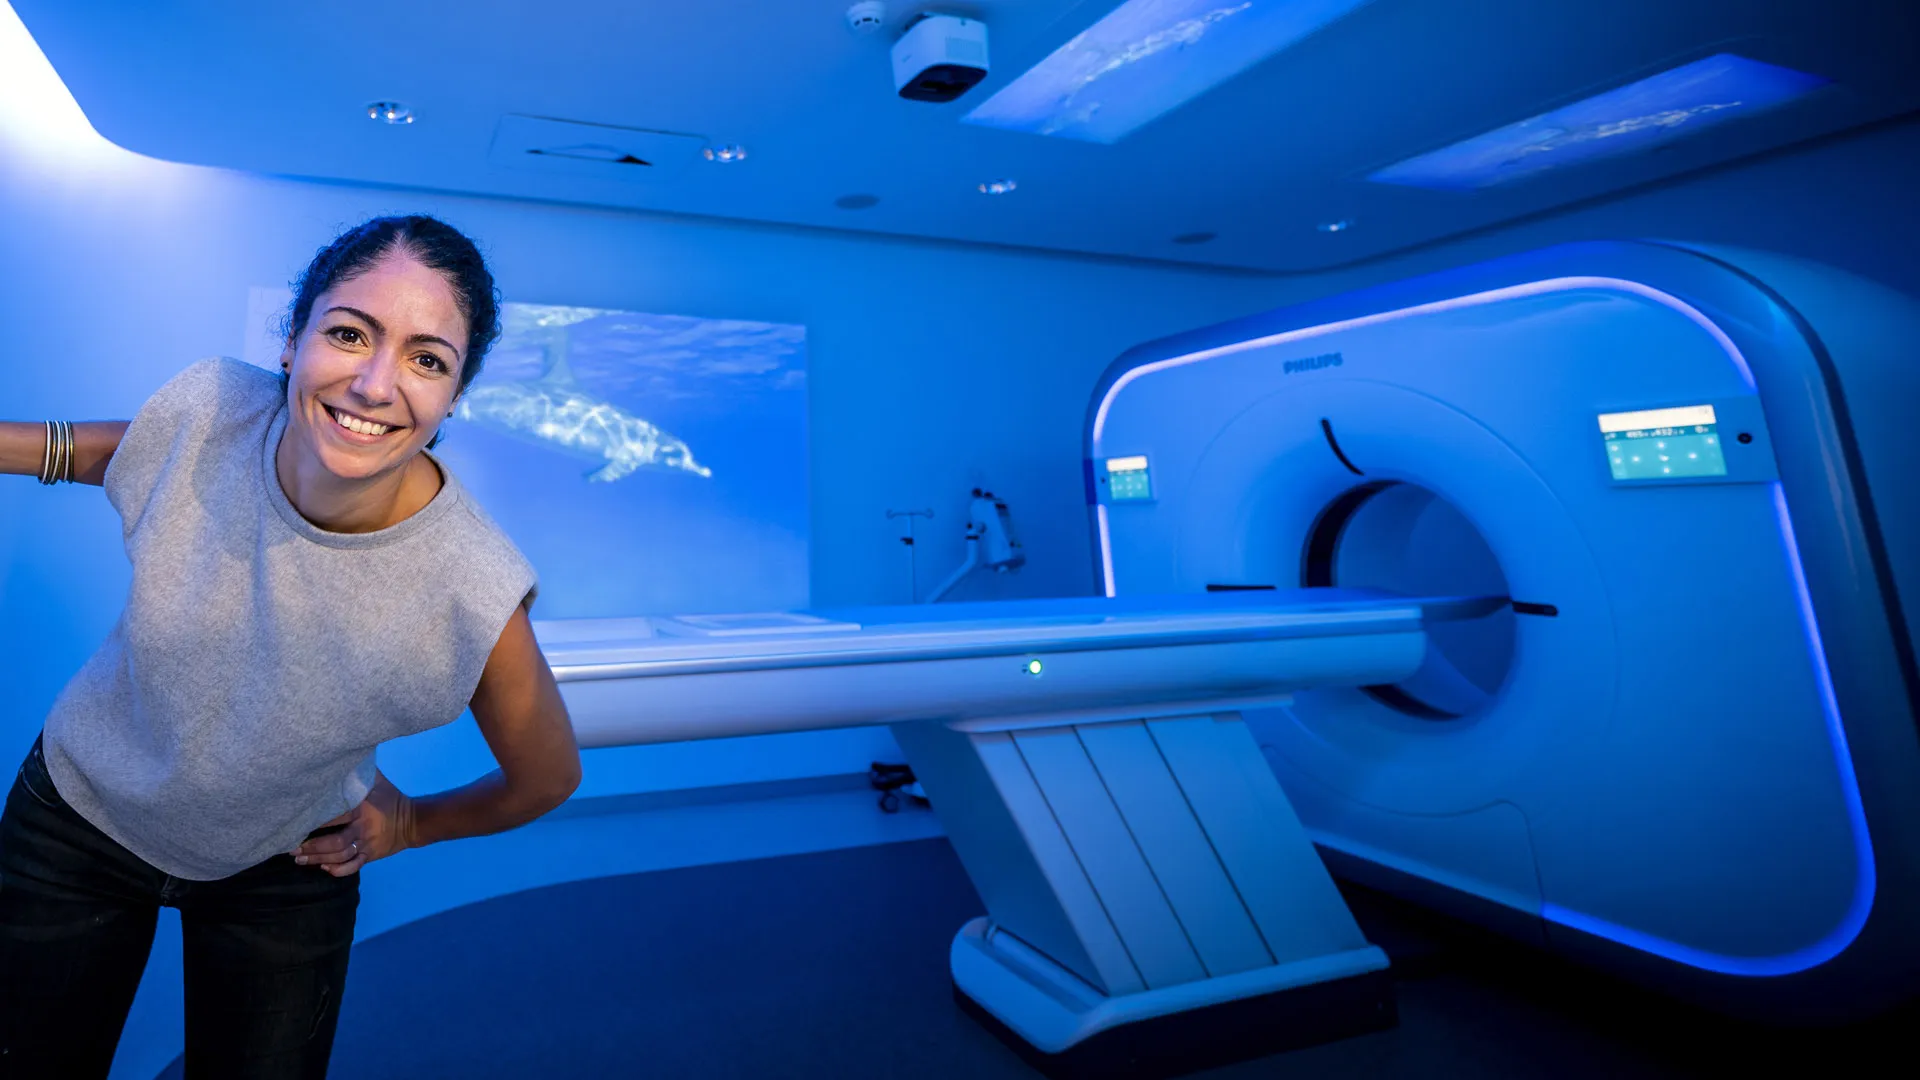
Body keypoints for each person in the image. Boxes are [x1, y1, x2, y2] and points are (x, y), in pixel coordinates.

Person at [0, 215, 582, 1078]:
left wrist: (414, 822)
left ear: (456, 394)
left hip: (284, 863)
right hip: (80, 812)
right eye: (350, 333)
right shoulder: (210, 410)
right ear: (291, 341)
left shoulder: (473, 588)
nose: (377, 384)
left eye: (428, 359)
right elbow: (118, 451)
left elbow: (547, 776)